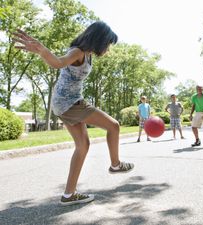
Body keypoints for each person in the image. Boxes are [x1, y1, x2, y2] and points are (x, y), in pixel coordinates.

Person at [12, 21, 134, 206]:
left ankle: (69, 194)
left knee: (83, 145)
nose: (108, 48)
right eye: (108, 44)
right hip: (69, 103)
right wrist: (42, 50)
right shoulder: (77, 51)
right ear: (99, 39)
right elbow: (59, 63)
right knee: (114, 126)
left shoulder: (87, 54)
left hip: (65, 103)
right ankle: (116, 165)